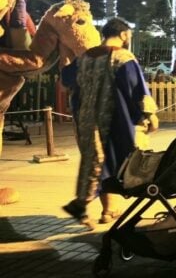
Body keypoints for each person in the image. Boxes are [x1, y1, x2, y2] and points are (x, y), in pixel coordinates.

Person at [61, 17, 159, 229]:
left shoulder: (86, 56)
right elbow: (136, 89)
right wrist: (150, 115)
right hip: (116, 121)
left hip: (87, 121)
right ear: (124, 35)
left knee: (96, 162)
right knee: (116, 162)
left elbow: (67, 79)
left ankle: (98, 208)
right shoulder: (123, 57)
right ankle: (83, 204)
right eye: (129, 36)